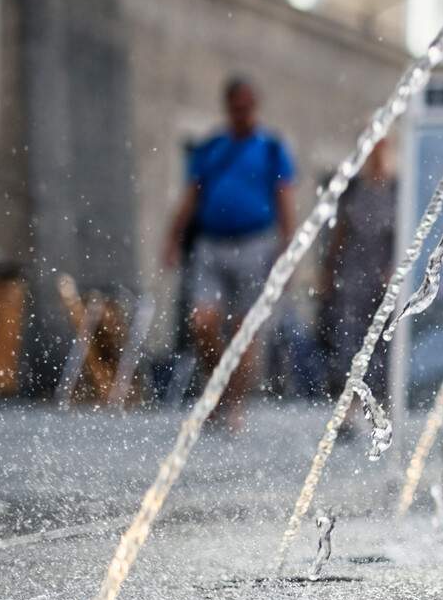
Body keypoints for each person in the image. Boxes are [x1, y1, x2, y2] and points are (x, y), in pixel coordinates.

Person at [163, 76, 296, 429]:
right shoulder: (211, 149)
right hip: (211, 244)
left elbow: (285, 201)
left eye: (247, 107)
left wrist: (289, 251)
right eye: (236, 107)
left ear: (256, 106)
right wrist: (173, 239)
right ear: (227, 107)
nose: (242, 113)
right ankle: (218, 387)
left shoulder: (271, 148)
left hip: (255, 243)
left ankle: (233, 403)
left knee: (244, 329)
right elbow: (190, 197)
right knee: (202, 322)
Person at [319, 135, 397, 402]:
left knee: (383, 342)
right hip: (353, 275)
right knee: (349, 339)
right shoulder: (354, 189)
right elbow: (339, 234)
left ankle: (380, 403)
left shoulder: (397, 189)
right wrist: (328, 272)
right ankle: (350, 403)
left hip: (384, 276)